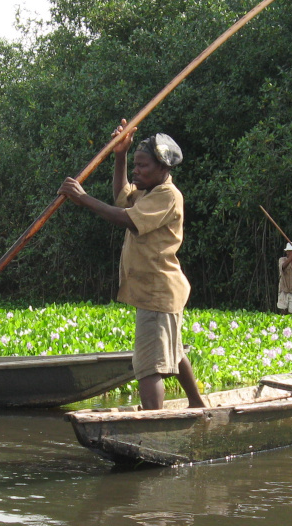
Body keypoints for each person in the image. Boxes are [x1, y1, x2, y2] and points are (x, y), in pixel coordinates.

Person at [58, 120, 205, 410]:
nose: (136, 171)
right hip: (159, 290)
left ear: (163, 168)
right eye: (135, 165)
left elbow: (126, 219)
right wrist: (120, 155)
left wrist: (83, 198)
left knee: (148, 366)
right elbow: (121, 199)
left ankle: (153, 423)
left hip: (157, 292)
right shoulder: (148, 192)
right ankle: (197, 404)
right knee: (174, 352)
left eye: (142, 165)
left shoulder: (167, 195)